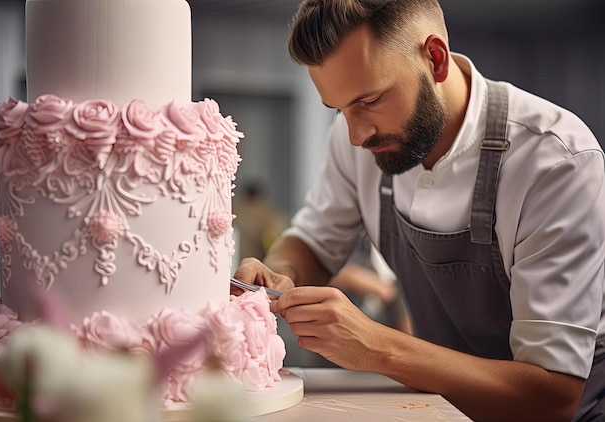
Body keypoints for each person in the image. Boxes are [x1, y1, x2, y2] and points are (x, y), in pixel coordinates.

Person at [233, 0, 605, 420]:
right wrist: (282, 273)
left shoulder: (555, 161)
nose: (356, 135)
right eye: (340, 109)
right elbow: (314, 242)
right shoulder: (359, 138)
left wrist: (377, 347)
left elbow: (552, 397)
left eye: (370, 100)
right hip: (443, 405)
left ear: (435, 59)